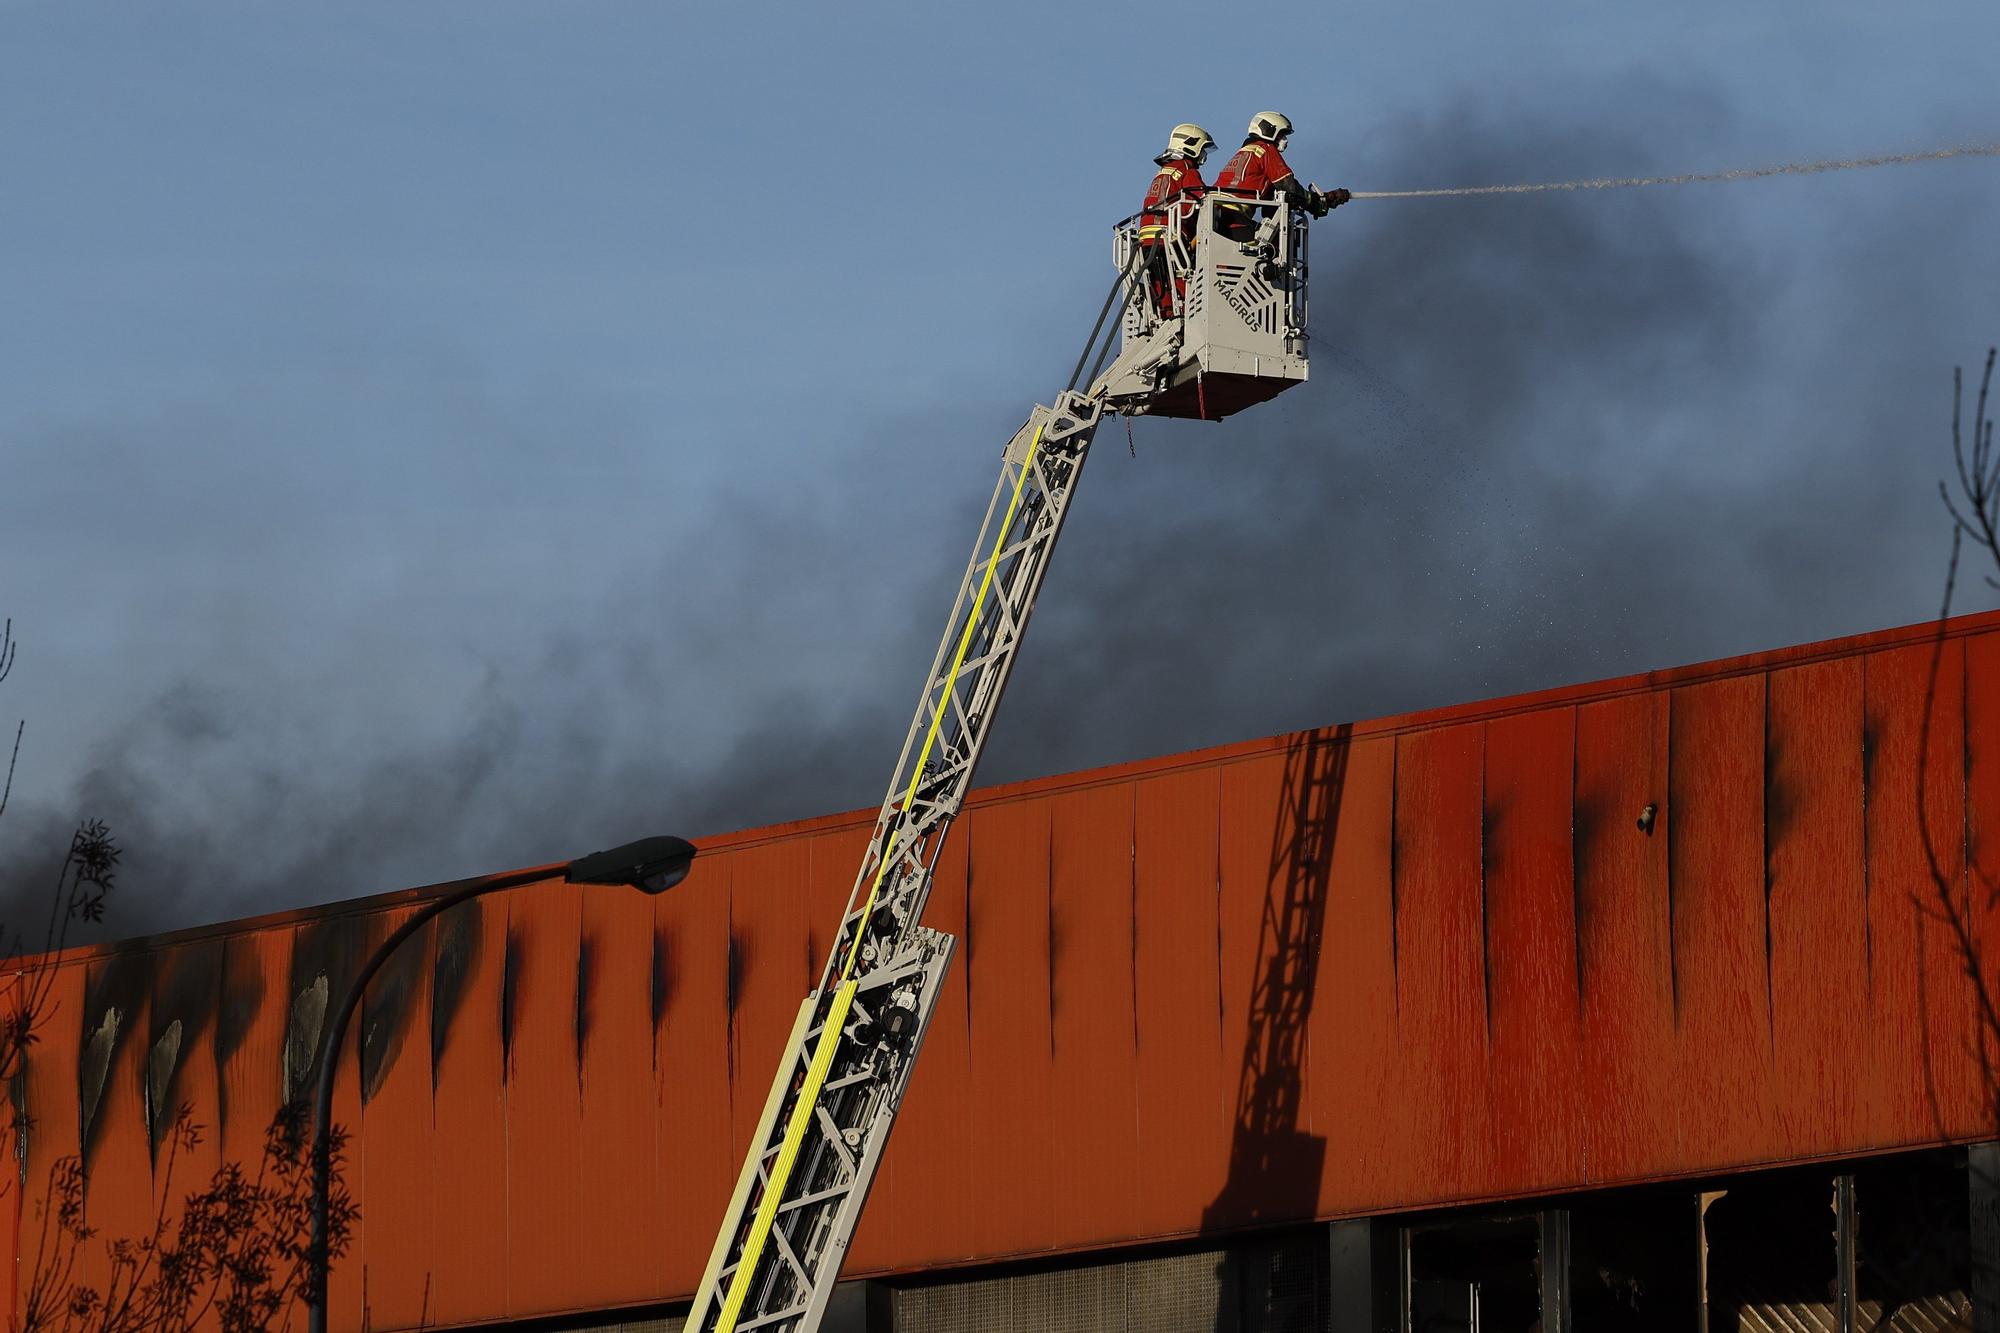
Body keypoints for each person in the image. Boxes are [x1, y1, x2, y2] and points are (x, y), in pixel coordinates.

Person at [1212, 111, 1350, 240]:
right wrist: (1317, 203)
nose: (1285, 140)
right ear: (1269, 131)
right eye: (1281, 135)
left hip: (1215, 217)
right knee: (1272, 248)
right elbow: (1289, 186)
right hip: (1233, 218)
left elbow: (1275, 200)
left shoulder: (1245, 153)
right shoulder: (1265, 149)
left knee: (1270, 236)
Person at [1137, 123, 1213, 317]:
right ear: (1191, 145)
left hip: (1147, 239)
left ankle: (1166, 315)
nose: (1204, 156)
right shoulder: (1187, 169)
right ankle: (1181, 318)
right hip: (1170, 237)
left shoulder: (1163, 172)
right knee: (1180, 282)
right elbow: (1201, 200)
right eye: (1202, 149)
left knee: (1160, 284)